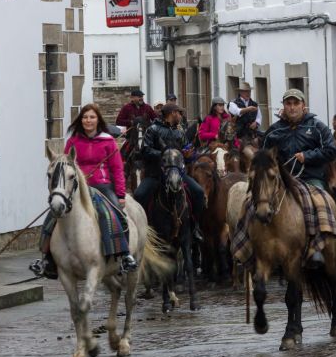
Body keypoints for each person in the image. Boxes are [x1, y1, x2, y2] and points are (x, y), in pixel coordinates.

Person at [31, 104, 137, 279]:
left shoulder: (108, 141)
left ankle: (124, 255)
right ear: (81, 120)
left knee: (116, 215)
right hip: (77, 188)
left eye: (92, 117)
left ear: (98, 120)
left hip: (102, 186)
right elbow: (64, 165)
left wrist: (120, 194)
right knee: (53, 217)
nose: (88, 120)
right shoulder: (73, 141)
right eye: (85, 117)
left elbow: (117, 169)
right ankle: (47, 259)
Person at [262, 88, 336, 267]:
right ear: (283, 106)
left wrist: (307, 156)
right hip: (280, 181)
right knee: (255, 201)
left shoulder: (317, 127)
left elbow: (331, 150)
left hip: (310, 178)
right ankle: (250, 247)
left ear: (303, 106)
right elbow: (262, 157)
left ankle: (317, 247)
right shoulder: (274, 131)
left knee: (321, 201)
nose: (292, 107)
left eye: (296, 103)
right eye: (288, 103)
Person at [134, 103, 205, 242]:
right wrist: (166, 154)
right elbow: (145, 150)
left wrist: (191, 154)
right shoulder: (152, 130)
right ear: (172, 113)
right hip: (156, 174)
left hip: (178, 174)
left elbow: (187, 151)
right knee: (139, 195)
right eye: (179, 113)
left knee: (199, 192)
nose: (181, 116)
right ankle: (141, 228)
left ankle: (195, 226)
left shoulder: (180, 131)